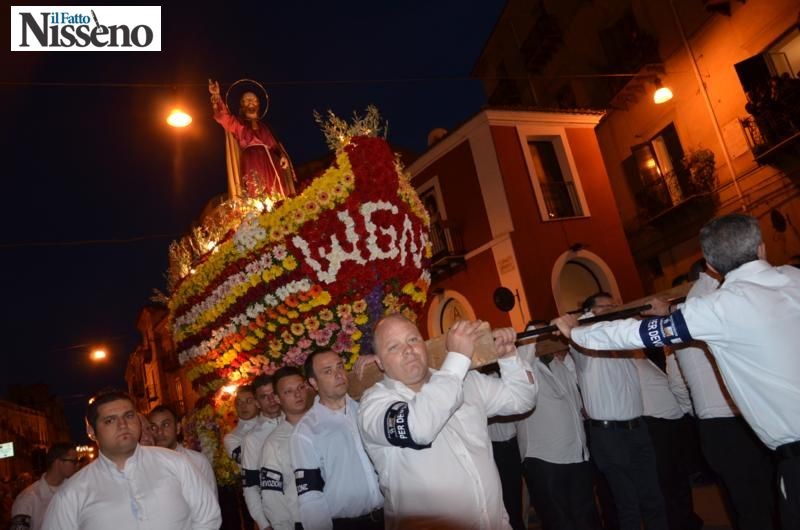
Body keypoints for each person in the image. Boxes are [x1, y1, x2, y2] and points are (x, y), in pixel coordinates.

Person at [553, 213, 800, 530]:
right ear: (762, 249)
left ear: (710, 265)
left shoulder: (719, 307)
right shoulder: (793, 278)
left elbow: (640, 333)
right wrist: (670, 312)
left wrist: (577, 332)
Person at [358, 315, 538, 530]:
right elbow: (419, 427)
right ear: (379, 363)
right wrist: (458, 358)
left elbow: (522, 399)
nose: (408, 350)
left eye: (413, 340)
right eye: (393, 347)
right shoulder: (374, 405)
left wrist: (509, 356)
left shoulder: (466, 380)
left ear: (424, 345)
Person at [673, 267, 777, 530]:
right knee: (755, 501)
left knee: (748, 499)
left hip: (721, 422)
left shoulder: (689, 319)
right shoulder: (696, 315)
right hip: (726, 422)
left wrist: (693, 410)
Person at [41, 389, 220, 529]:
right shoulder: (72, 493)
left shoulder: (176, 463)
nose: (123, 424)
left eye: (129, 416)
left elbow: (208, 516)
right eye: (110, 420)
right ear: (91, 432)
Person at [569, 293, 668, 530]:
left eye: (614, 305)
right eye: (607, 307)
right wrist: (594, 315)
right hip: (609, 435)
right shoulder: (584, 347)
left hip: (638, 429)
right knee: (627, 504)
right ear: (591, 312)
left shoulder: (621, 343)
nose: (614, 309)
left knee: (653, 498)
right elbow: (578, 327)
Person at [515, 323, 599, 530]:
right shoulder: (524, 365)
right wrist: (537, 330)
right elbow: (522, 358)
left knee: (587, 519)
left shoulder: (560, 365)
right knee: (559, 522)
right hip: (544, 459)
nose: (553, 338)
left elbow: (578, 407)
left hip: (578, 456)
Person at [290, 349, 384, 530]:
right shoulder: (306, 432)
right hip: (348, 525)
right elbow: (310, 496)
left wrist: (381, 360)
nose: (339, 374)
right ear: (313, 383)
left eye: (339, 366)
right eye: (328, 371)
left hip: (390, 516)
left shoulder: (367, 408)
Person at [634, 355, 703, 530]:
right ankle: (675, 522)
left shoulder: (644, 360)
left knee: (678, 477)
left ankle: (687, 520)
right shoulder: (629, 362)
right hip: (655, 426)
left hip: (670, 425)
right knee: (667, 481)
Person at [208, 78, 296, 200]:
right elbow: (223, 117)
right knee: (256, 190)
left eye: (254, 99)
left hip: (270, 160)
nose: (251, 101)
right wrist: (216, 96)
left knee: (277, 192)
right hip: (252, 160)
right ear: (242, 104)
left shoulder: (265, 126)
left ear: (258, 104)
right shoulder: (238, 123)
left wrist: (281, 155)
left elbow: (274, 145)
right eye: (247, 99)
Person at [259, 366, 313, 530]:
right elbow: (272, 497)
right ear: (277, 398)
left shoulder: (324, 426)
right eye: (288, 392)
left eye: (300, 388)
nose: (297, 395)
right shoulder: (274, 443)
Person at [242, 374, 284, 530]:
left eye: (273, 394)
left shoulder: (297, 422)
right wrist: (263, 523)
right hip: (275, 516)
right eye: (264, 397)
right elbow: (250, 486)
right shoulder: (252, 439)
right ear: (257, 402)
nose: (271, 400)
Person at [148, 405, 217, 495]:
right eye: (153, 427)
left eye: (165, 425)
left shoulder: (197, 462)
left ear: (177, 428)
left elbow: (211, 503)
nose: (159, 432)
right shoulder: (146, 465)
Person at [10, 442, 79, 530]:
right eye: (73, 461)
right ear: (58, 462)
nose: (77, 465)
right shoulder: (27, 499)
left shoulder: (74, 490)